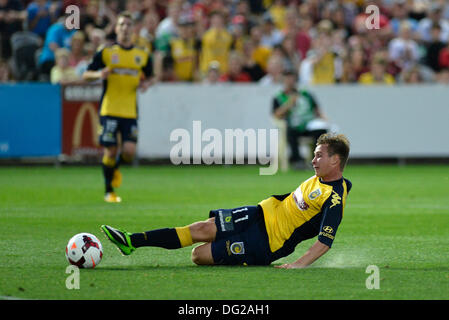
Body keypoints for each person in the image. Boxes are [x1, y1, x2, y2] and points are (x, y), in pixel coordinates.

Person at [101, 133, 352, 268]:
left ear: (335, 161)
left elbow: (325, 241)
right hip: (258, 213)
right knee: (201, 228)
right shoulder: (321, 178)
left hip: (266, 243)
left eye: (319, 156)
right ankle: (131, 241)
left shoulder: (334, 199)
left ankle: (238, 253)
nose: (313, 161)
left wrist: (298, 265)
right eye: (314, 155)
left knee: (198, 256)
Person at [83, 11, 154, 203]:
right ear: (116, 29)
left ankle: (115, 169)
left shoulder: (142, 55)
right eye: (122, 24)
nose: (125, 28)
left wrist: (146, 84)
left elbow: (151, 76)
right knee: (111, 151)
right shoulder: (107, 52)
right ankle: (109, 191)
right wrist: (100, 75)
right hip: (109, 109)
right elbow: (86, 74)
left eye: (129, 24)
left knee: (129, 152)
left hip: (130, 110)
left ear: (134, 29)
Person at [273, 70, 328, 170]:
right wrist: (289, 104)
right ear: (283, 80)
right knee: (290, 130)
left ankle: (316, 160)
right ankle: (297, 161)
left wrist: (323, 118)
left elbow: (316, 109)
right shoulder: (279, 97)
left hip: (308, 124)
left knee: (321, 131)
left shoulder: (306, 94)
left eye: (292, 78)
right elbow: (276, 115)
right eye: (287, 78)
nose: (290, 81)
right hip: (293, 125)